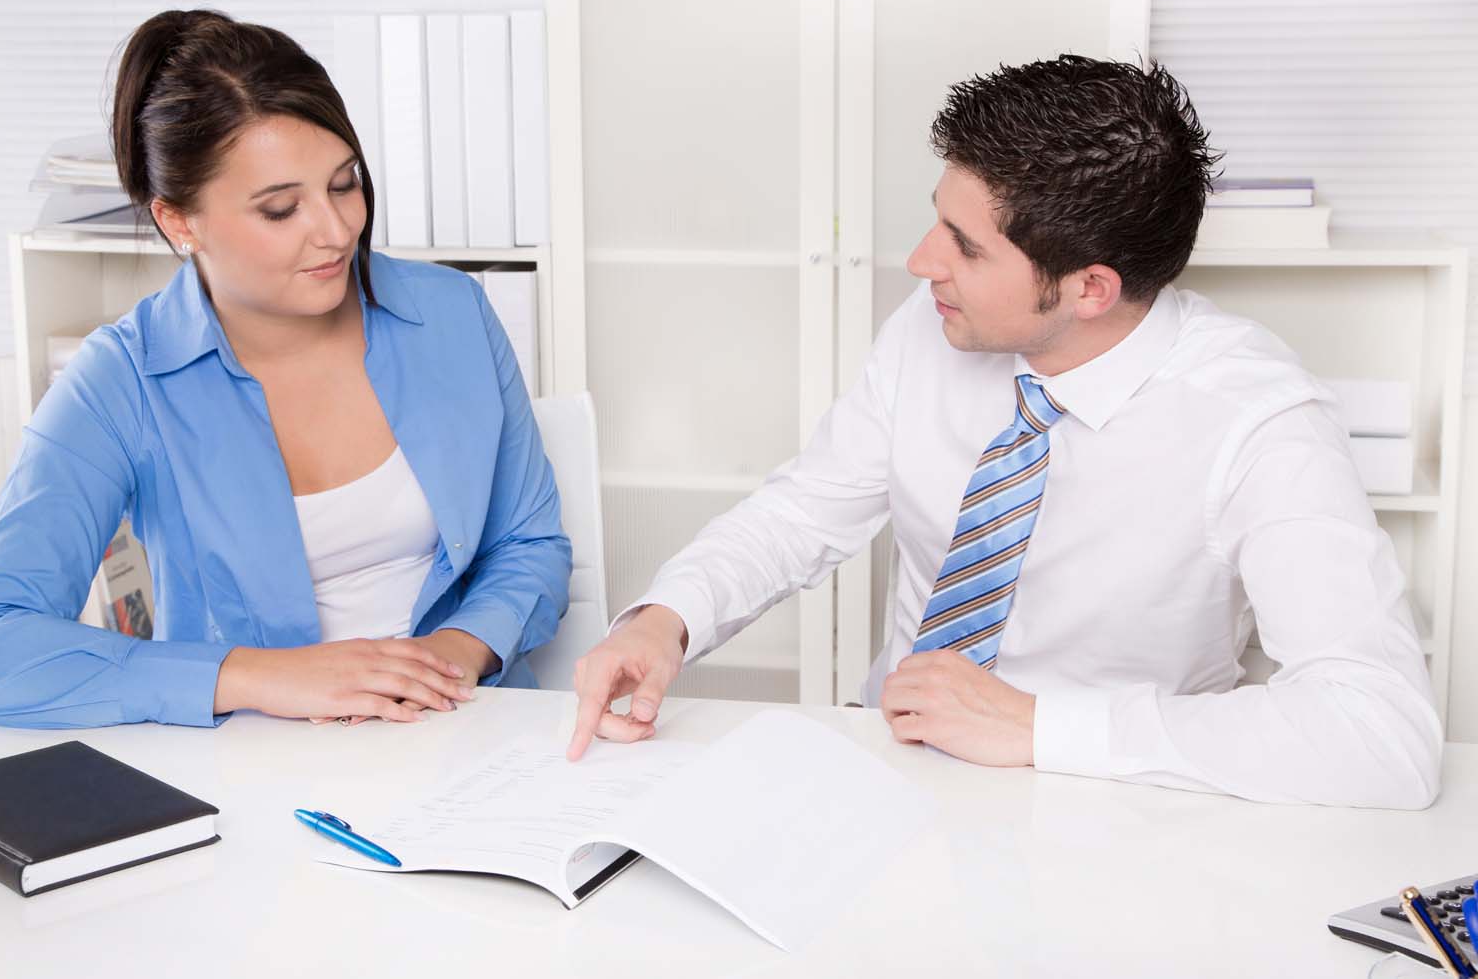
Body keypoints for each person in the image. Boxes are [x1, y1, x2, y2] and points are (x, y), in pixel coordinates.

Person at [568, 55, 1442, 809]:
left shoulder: (1259, 422)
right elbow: (806, 510)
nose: (920, 262)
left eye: (965, 246)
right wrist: (668, 616)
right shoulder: (932, 323)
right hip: (883, 769)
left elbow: (1382, 729)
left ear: (1089, 288)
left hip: (1108, 809)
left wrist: (1037, 726)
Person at [0, 9, 570, 729]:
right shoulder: (122, 381)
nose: (335, 231)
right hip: (259, 769)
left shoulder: (452, 315)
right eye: (279, 209)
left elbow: (530, 542)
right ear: (180, 222)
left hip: (469, 732)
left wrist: (448, 658)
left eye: (344, 183)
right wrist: (259, 677)